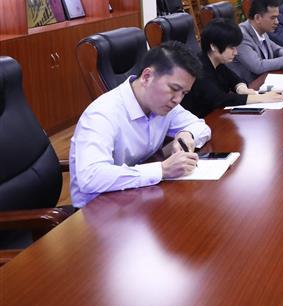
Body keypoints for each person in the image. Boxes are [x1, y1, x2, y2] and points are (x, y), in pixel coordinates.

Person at [69, 42, 211, 208]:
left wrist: (187, 134)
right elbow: (91, 177)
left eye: (184, 93)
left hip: (137, 196)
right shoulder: (102, 114)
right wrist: (162, 169)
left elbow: (201, 126)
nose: (177, 100)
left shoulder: (163, 104)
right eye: (174, 89)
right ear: (146, 77)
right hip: (98, 208)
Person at [181, 18, 283, 118]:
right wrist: (261, 98)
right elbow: (220, 99)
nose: (235, 52)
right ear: (213, 46)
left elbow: (235, 80)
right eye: (231, 48)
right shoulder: (199, 68)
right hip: (201, 121)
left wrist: (242, 89)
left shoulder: (217, 62)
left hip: (215, 116)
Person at [230, 0, 283, 83]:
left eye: (277, 17)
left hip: (266, 80)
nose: (277, 22)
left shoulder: (262, 31)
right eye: (273, 18)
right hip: (249, 86)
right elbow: (258, 66)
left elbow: (277, 49)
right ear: (258, 18)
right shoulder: (241, 35)